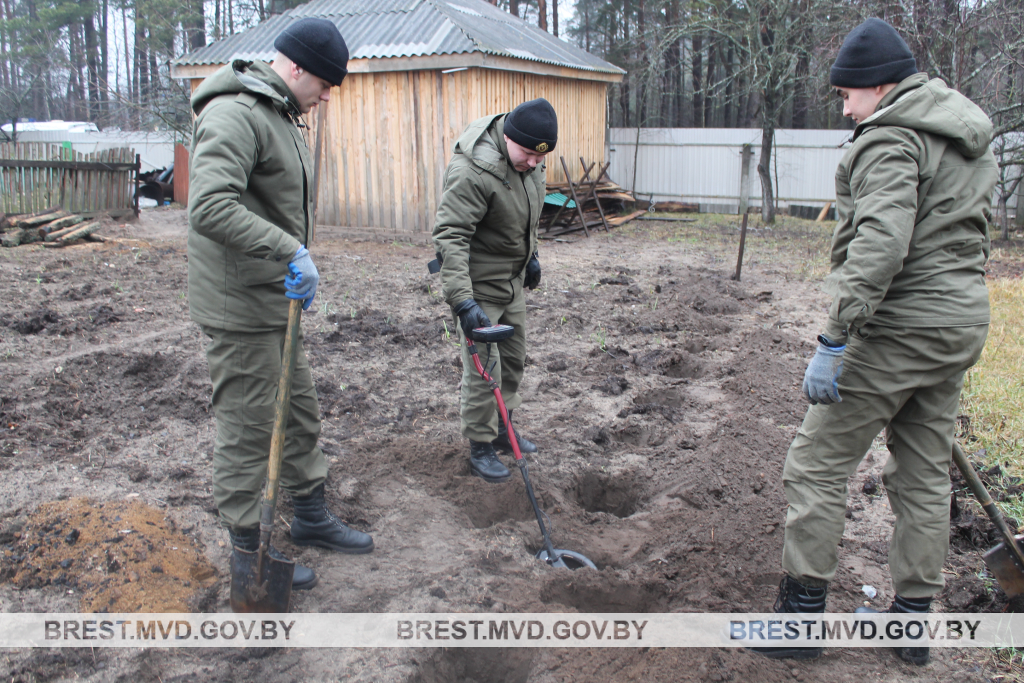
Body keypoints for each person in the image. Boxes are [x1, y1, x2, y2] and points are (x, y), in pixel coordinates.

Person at [752, 17, 997, 664]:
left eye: (846, 94)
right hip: (960, 323)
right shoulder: (966, 135)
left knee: (816, 463)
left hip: (899, 325)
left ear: (879, 86)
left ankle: (799, 625)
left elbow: (881, 243)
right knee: (921, 474)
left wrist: (835, 335)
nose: (844, 106)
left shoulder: (890, 139)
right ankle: (911, 630)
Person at [188, 17, 373, 597]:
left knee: (297, 412)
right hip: (238, 304)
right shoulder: (236, 113)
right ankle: (253, 558)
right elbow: (210, 206)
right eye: (324, 82)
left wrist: (289, 257)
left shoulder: (281, 114)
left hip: (273, 298)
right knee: (249, 430)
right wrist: (290, 248)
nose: (326, 95)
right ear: (294, 67)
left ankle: (312, 515)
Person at [432, 99, 556, 483]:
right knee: (486, 369)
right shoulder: (473, 170)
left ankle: (504, 431)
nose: (534, 164)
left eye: (541, 157)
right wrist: (462, 301)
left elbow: (529, 214)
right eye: (528, 155)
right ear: (508, 138)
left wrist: (532, 255)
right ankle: (480, 446)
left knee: (514, 359)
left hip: (512, 281)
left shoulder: (530, 162)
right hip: (478, 285)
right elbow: (450, 236)